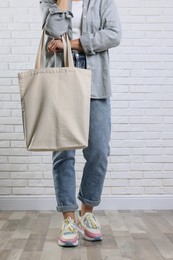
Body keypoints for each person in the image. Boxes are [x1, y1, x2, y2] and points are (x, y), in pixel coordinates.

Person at [39, 0, 122, 247]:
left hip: (95, 79)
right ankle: (68, 218)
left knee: (98, 151)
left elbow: (114, 34)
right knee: (63, 151)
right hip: (60, 77)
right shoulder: (49, 1)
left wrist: (74, 43)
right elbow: (52, 30)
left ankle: (87, 213)